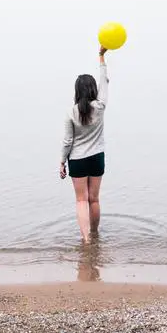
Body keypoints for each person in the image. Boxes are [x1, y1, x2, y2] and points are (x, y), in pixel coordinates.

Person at [60, 46, 110, 244]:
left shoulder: (71, 112)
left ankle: (86, 239)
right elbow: (104, 81)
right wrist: (101, 56)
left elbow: (67, 141)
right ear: (93, 89)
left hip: (78, 159)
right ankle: (96, 234)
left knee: (81, 200)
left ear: (76, 91)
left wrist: (62, 162)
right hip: (97, 157)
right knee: (94, 199)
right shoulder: (100, 106)